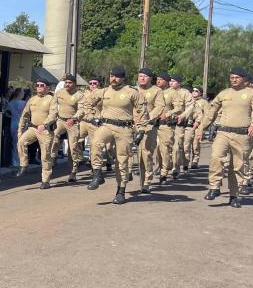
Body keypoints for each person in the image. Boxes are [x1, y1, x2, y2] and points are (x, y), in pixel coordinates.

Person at [78, 67, 146, 204]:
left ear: (123, 78)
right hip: (106, 125)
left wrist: (141, 130)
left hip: (124, 128)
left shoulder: (132, 92)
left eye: (116, 77)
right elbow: (87, 103)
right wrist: (91, 116)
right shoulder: (103, 91)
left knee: (122, 161)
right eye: (111, 76)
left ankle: (121, 191)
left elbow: (142, 111)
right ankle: (97, 174)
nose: (113, 79)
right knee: (96, 142)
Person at [198, 67, 253, 208]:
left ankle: (234, 195)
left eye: (237, 77)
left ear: (244, 79)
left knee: (238, 166)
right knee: (216, 157)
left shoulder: (252, 93)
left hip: (242, 135)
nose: (234, 80)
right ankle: (214, 187)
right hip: (223, 133)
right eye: (232, 77)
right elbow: (211, 112)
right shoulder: (224, 93)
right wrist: (201, 129)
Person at [15, 76, 58, 188]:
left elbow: (53, 115)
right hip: (33, 128)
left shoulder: (51, 99)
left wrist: (45, 124)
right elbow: (24, 115)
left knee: (45, 156)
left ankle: (45, 180)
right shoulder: (32, 100)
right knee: (21, 142)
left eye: (42, 85)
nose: (39, 87)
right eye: (37, 85)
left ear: (48, 88)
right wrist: (20, 130)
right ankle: (23, 165)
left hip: (45, 130)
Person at [132, 68, 166, 194]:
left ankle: (146, 182)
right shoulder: (132, 90)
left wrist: (147, 118)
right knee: (127, 152)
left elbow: (159, 106)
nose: (142, 78)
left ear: (150, 78)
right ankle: (127, 175)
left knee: (146, 154)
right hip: (132, 124)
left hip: (148, 126)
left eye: (145, 76)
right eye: (140, 76)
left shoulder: (156, 91)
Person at [50, 73, 85, 181]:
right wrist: (52, 118)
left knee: (73, 146)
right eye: (66, 82)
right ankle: (52, 160)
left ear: (74, 84)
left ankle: (73, 171)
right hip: (60, 120)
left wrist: (74, 118)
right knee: (54, 136)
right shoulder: (59, 93)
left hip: (72, 122)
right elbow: (53, 106)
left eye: (69, 83)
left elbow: (81, 110)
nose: (67, 84)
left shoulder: (79, 95)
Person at [154, 72, 182, 184]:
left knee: (165, 149)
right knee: (156, 149)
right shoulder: (154, 91)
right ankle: (159, 168)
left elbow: (179, 107)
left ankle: (164, 172)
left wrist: (168, 114)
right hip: (153, 124)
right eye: (157, 79)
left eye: (161, 79)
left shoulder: (172, 93)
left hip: (165, 125)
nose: (158, 81)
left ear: (166, 81)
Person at [169, 75, 194, 178]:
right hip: (165, 124)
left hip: (178, 124)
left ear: (179, 83)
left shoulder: (185, 93)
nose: (171, 83)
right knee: (162, 147)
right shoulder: (165, 92)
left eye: (173, 81)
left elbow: (190, 106)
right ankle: (162, 167)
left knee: (177, 146)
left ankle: (176, 168)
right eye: (170, 81)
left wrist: (183, 115)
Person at [185, 86, 210, 170]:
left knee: (195, 145)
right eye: (193, 91)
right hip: (188, 125)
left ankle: (195, 161)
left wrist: (203, 127)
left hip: (199, 125)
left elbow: (207, 115)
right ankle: (186, 162)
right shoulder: (189, 101)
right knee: (186, 144)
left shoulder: (204, 102)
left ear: (200, 93)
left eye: (196, 91)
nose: (194, 92)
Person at [7, 87, 26, 166]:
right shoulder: (23, 103)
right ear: (20, 94)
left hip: (13, 123)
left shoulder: (10, 102)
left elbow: (7, 113)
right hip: (20, 124)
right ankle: (17, 161)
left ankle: (14, 161)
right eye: (22, 92)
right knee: (19, 144)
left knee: (14, 143)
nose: (24, 94)